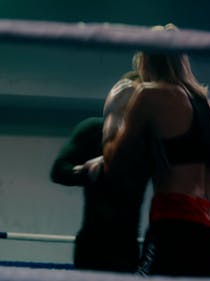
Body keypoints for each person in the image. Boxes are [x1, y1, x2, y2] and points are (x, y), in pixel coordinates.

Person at [101, 24, 210, 277]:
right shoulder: (208, 106)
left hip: (173, 230)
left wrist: (113, 116)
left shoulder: (149, 95)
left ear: (146, 59)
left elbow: (114, 164)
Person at [50, 71, 149, 273]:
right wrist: (86, 173)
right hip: (91, 245)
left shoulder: (146, 141)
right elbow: (59, 169)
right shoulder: (93, 129)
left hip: (126, 249)